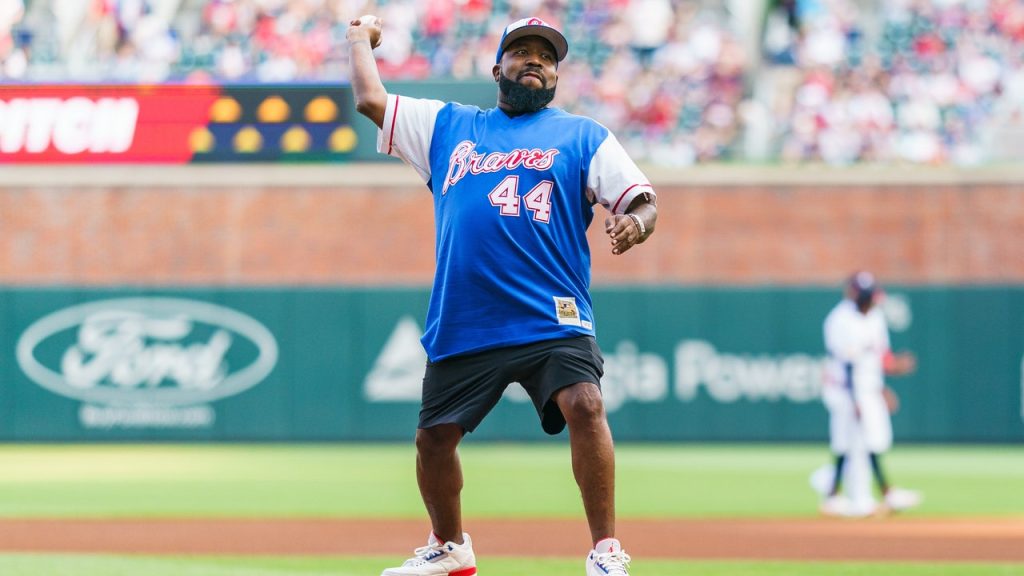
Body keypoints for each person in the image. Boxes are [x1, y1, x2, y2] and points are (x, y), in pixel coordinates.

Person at [346, 14, 658, 576]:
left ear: (557, 75)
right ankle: (451, 547)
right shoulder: (449, 126)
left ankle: (606, 553)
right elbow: (371, 98)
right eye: (523, 51)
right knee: (433, 441)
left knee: (585, 403)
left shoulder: (583, 135)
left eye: (547, 55)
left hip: (551, 312)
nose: (536, 60)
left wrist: (637, 222)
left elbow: (643, 200)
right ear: (498, 68)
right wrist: (355, 39)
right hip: (468, 318)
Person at [816, 271, 921, 517]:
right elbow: (847, 365)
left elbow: (878, 356)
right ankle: (848, 495)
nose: (872, 302)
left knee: (872, 439)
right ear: (856, 296)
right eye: (868, 297)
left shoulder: (874, 317)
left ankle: (860, 493)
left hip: (867, 388)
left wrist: (882, 386)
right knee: (849, 442)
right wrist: (856, 400)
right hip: (845, 389)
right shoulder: (840, 320)